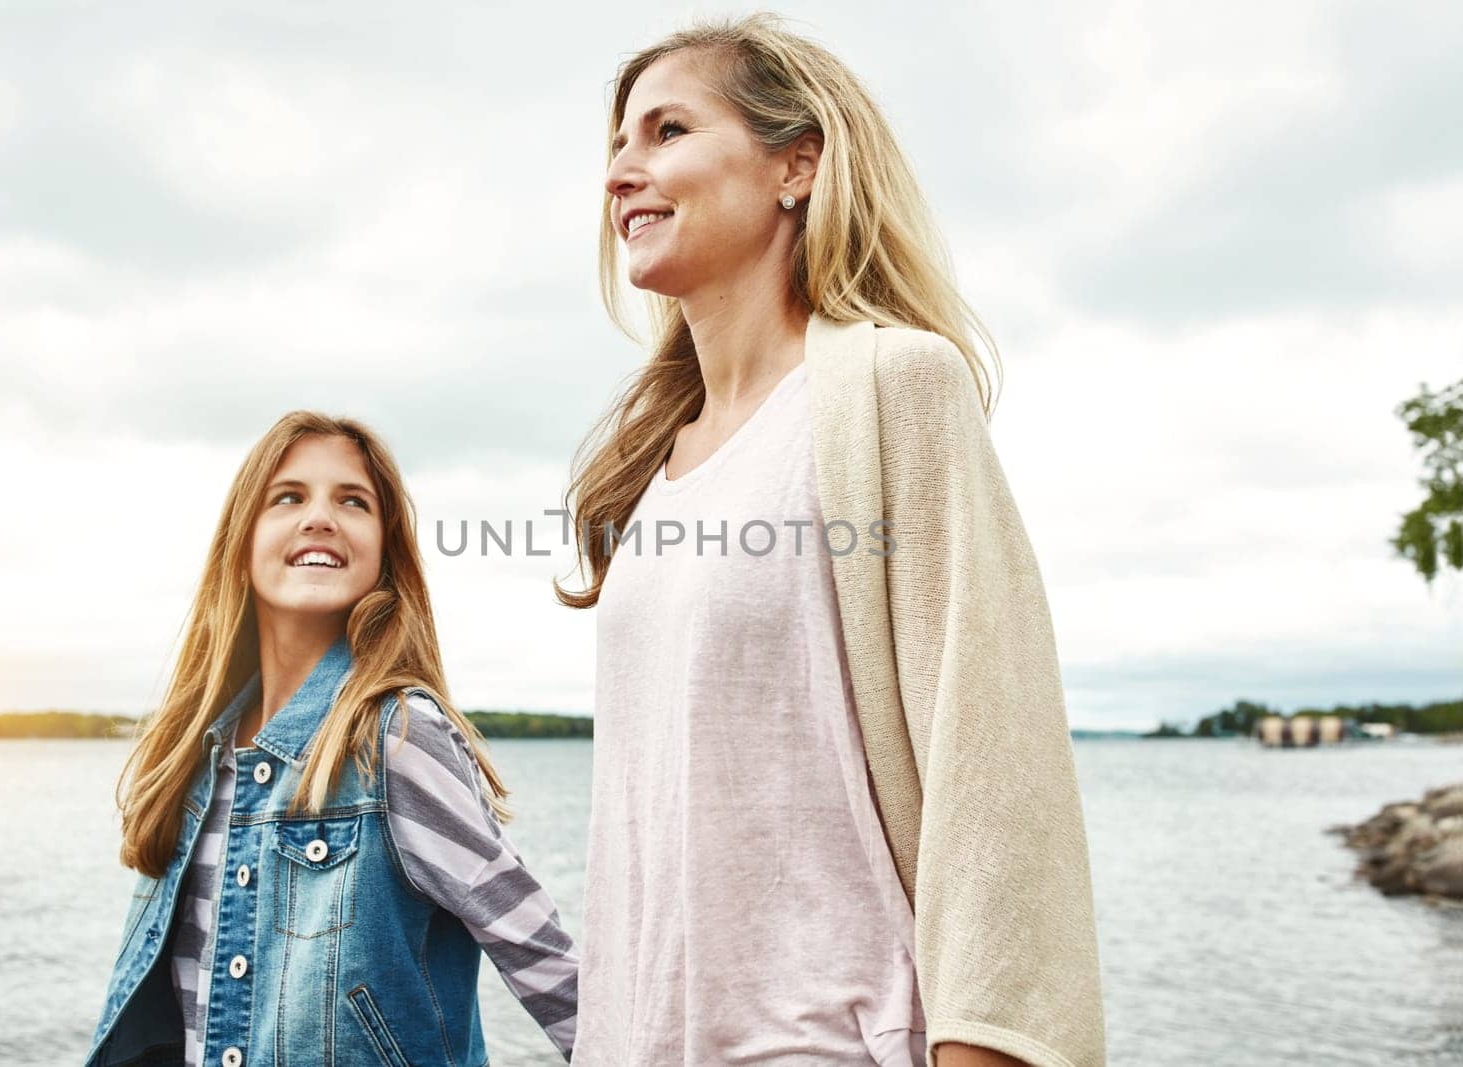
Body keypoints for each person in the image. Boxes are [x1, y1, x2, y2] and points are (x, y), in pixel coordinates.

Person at [557, 14, 1105, 1067]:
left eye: (666, 130)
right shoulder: (650, 469)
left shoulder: (894, 388)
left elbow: (993, 759)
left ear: (795, 166)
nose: (622, 173)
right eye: (616, 148)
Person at [87, 411, 577, 1066]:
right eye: (288, 496)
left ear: (384, 554)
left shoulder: (398, 737)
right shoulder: (194, 759)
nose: (320, 517)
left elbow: (553, 968)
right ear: (241, 543)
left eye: (353, 501)